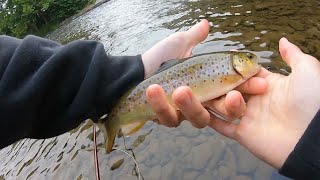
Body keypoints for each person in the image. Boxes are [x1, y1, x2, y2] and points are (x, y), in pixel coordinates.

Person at [0, 19, 318, 179]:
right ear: (238, 62)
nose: (254, 60)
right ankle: (115, 122)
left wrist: (134, 69)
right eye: (248, 57)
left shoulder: (238, 71)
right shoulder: (234, 69)